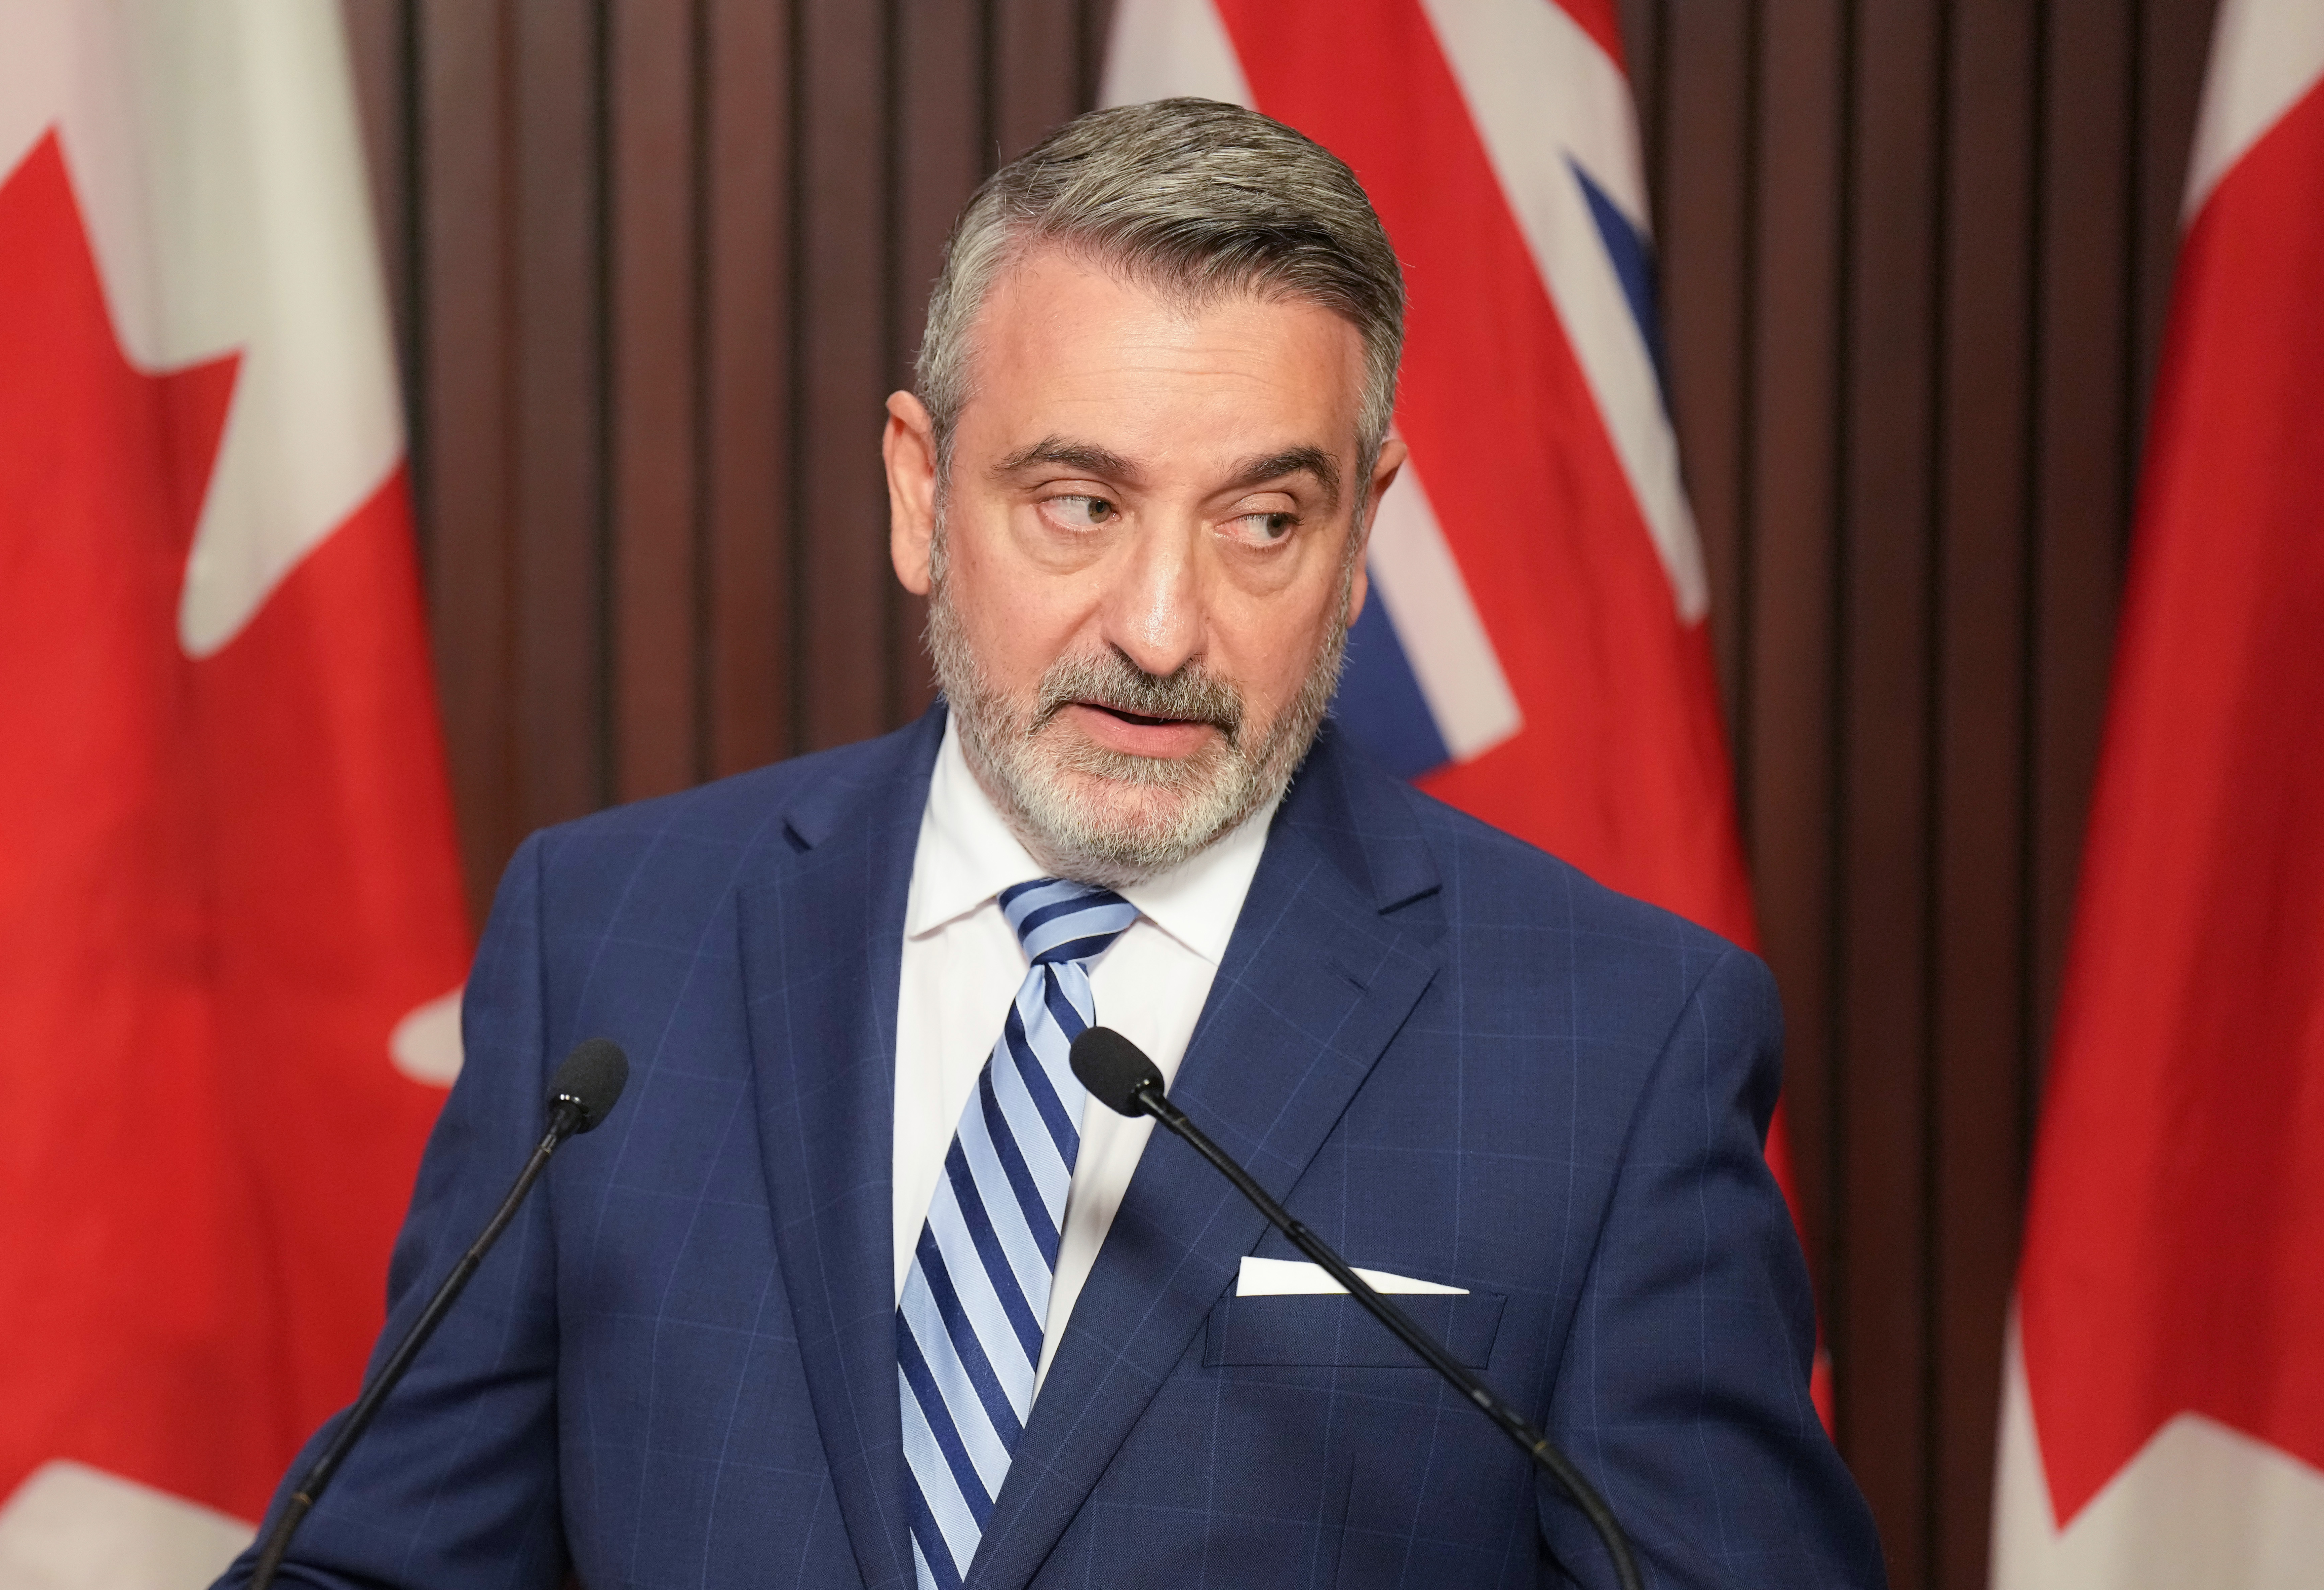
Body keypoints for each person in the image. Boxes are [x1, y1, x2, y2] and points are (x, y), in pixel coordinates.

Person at [221, 98, 1883, 1590]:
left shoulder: (1616, 1044)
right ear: (919, 493)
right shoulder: (611, 939)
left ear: (1364, 536)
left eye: (1263, 521)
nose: (1162, 627)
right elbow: (375, 1568)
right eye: (1080, 503)